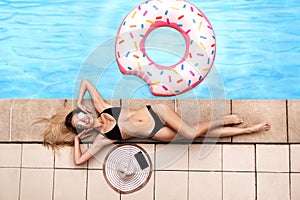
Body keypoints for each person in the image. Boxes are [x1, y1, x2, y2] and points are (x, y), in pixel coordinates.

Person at [41, 79, 271, 165]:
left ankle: (232, 122)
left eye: (82, 114)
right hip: (156, 133)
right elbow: (79, 161)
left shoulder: (101, 108)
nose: (85, 118)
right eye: (81, 122)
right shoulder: (102, 139)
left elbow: (86, 81)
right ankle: (248, 129)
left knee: (192, 133)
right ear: (82, 128)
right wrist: (79, 140)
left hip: (157, 113)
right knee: (196, 135)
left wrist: (80, 102)